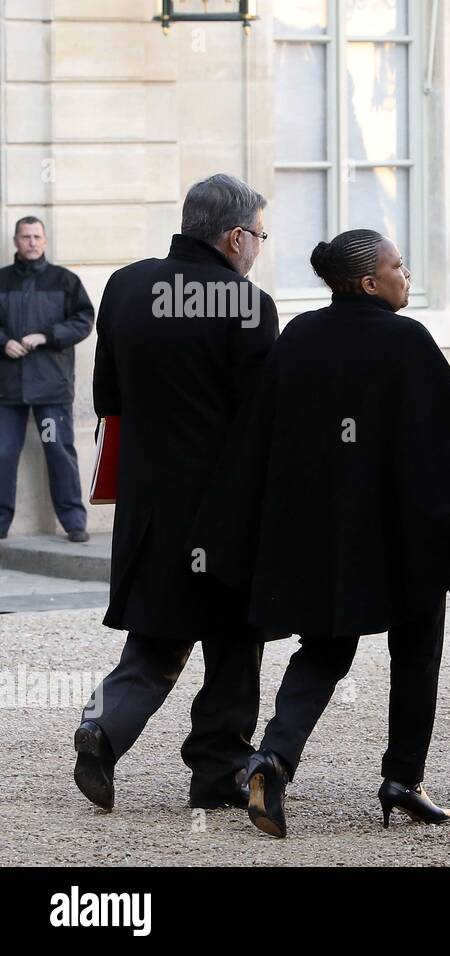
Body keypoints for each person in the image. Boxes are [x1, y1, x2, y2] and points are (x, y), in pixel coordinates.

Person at [192, 229, 450, 839]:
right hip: (407, 531)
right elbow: (449, 431)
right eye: (399, 266)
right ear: (370, 282)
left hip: (327, 533)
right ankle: (403, 779)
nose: (405, 274)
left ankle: (273, 757)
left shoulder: (301, 337)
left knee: (325, 649)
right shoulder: (405, 339)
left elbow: (263, 434)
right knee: (416, 652)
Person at [73, 174, 279, 813]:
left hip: (147, 499)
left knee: (157, 638)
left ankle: (103, 728)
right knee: (233, 642)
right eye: (261, 237)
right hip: (222, 504)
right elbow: (262, 418)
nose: (259, 250)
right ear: (235, 236)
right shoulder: (247, 304)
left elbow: (108, 398)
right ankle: (217, 769)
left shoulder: (126, 285)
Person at [0, 216, 94, 542]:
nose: (31, 242)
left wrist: (48, 336)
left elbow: (84, 320)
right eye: (25, 236)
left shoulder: (65, 280)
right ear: (15, 241)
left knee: (58, 451)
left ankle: (73, 522)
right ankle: (0, 524)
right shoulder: (2, 280)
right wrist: (4, 342)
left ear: (44, 240)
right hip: (7, 388)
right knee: (2, 453)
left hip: (51, 388)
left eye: (36, 236)